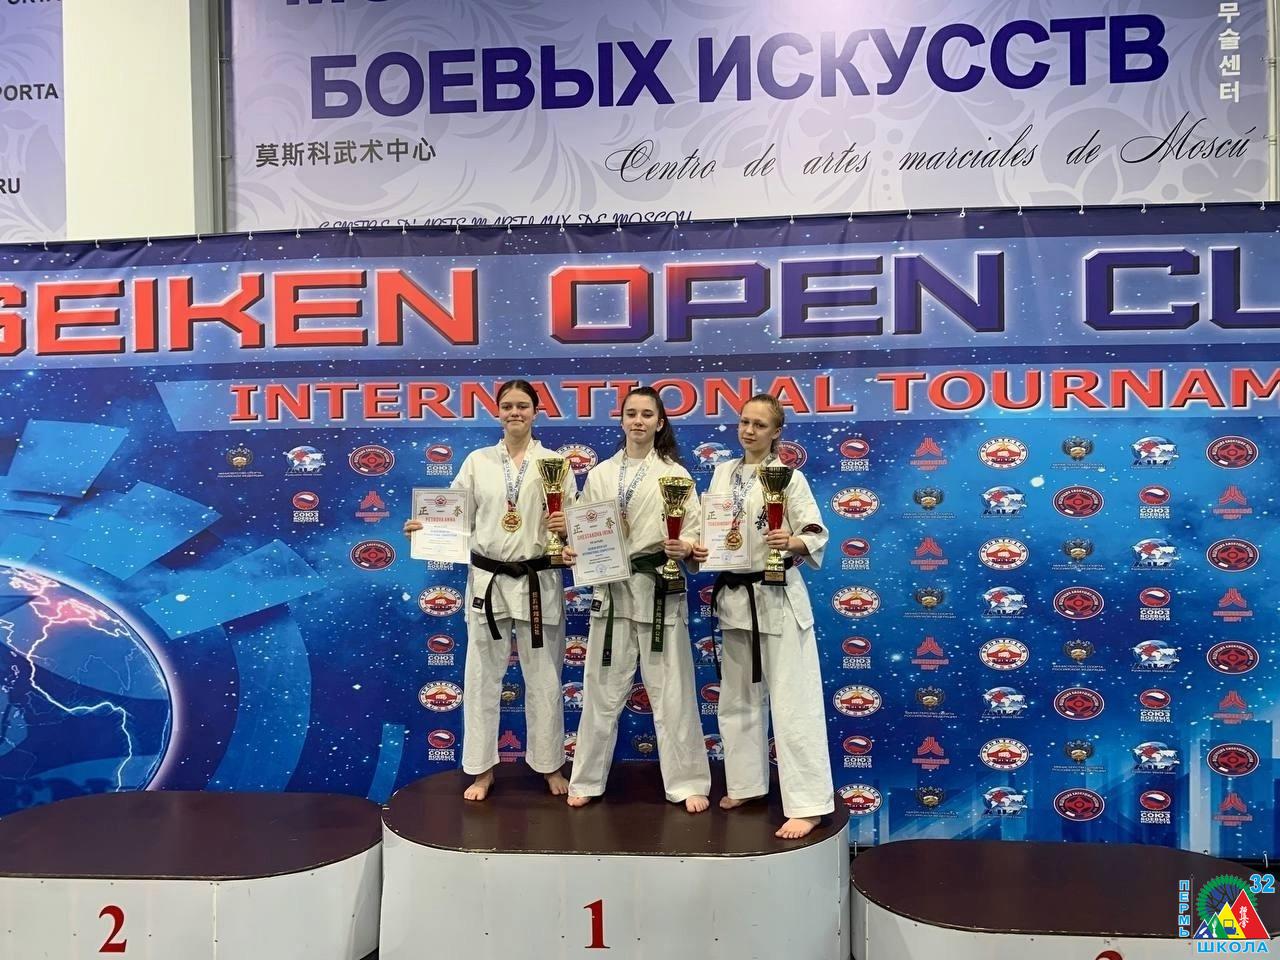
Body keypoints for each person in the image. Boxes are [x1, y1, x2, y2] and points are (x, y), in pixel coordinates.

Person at [403, 379, 571, 801]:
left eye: (523, 406)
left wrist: (567, 528)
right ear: (498, 413)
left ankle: (550, 765)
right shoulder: (477, 462)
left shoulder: (555, 464)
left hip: (537, 581)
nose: (515, 412)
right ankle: (481, 769)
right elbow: (455, 515)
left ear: (536, 412)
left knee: (545, 680)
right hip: (488, 582)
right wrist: (425, 528)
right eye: (508, 406)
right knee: (481, 680)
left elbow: (576, 524)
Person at [692, 393, 834, 839]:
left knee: (794, 704)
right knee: (737, 699)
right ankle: (746, 785)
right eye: (744, 422)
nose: (749, 431)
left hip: (777, 597)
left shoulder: (789, 478)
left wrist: (791, 541)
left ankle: (809, 804)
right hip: (735, 599)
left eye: (759, 424)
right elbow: (713, 530)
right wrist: (698, 549)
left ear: (776, 433)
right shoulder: (722, 473)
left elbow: (815, 531)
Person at [565, 387, 711, 813]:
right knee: (600, 692)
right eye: (631, 413)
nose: (638, 421)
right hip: (612, 593)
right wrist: (575, 547)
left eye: (647, 414)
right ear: (622, 420)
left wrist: (686, 547)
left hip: (658, 590)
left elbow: (694, 531)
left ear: (660, 423)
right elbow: (584, 528)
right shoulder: (600, 475)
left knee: (674, 694)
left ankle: (687, 782)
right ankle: (586, 779)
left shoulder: (676, 476)